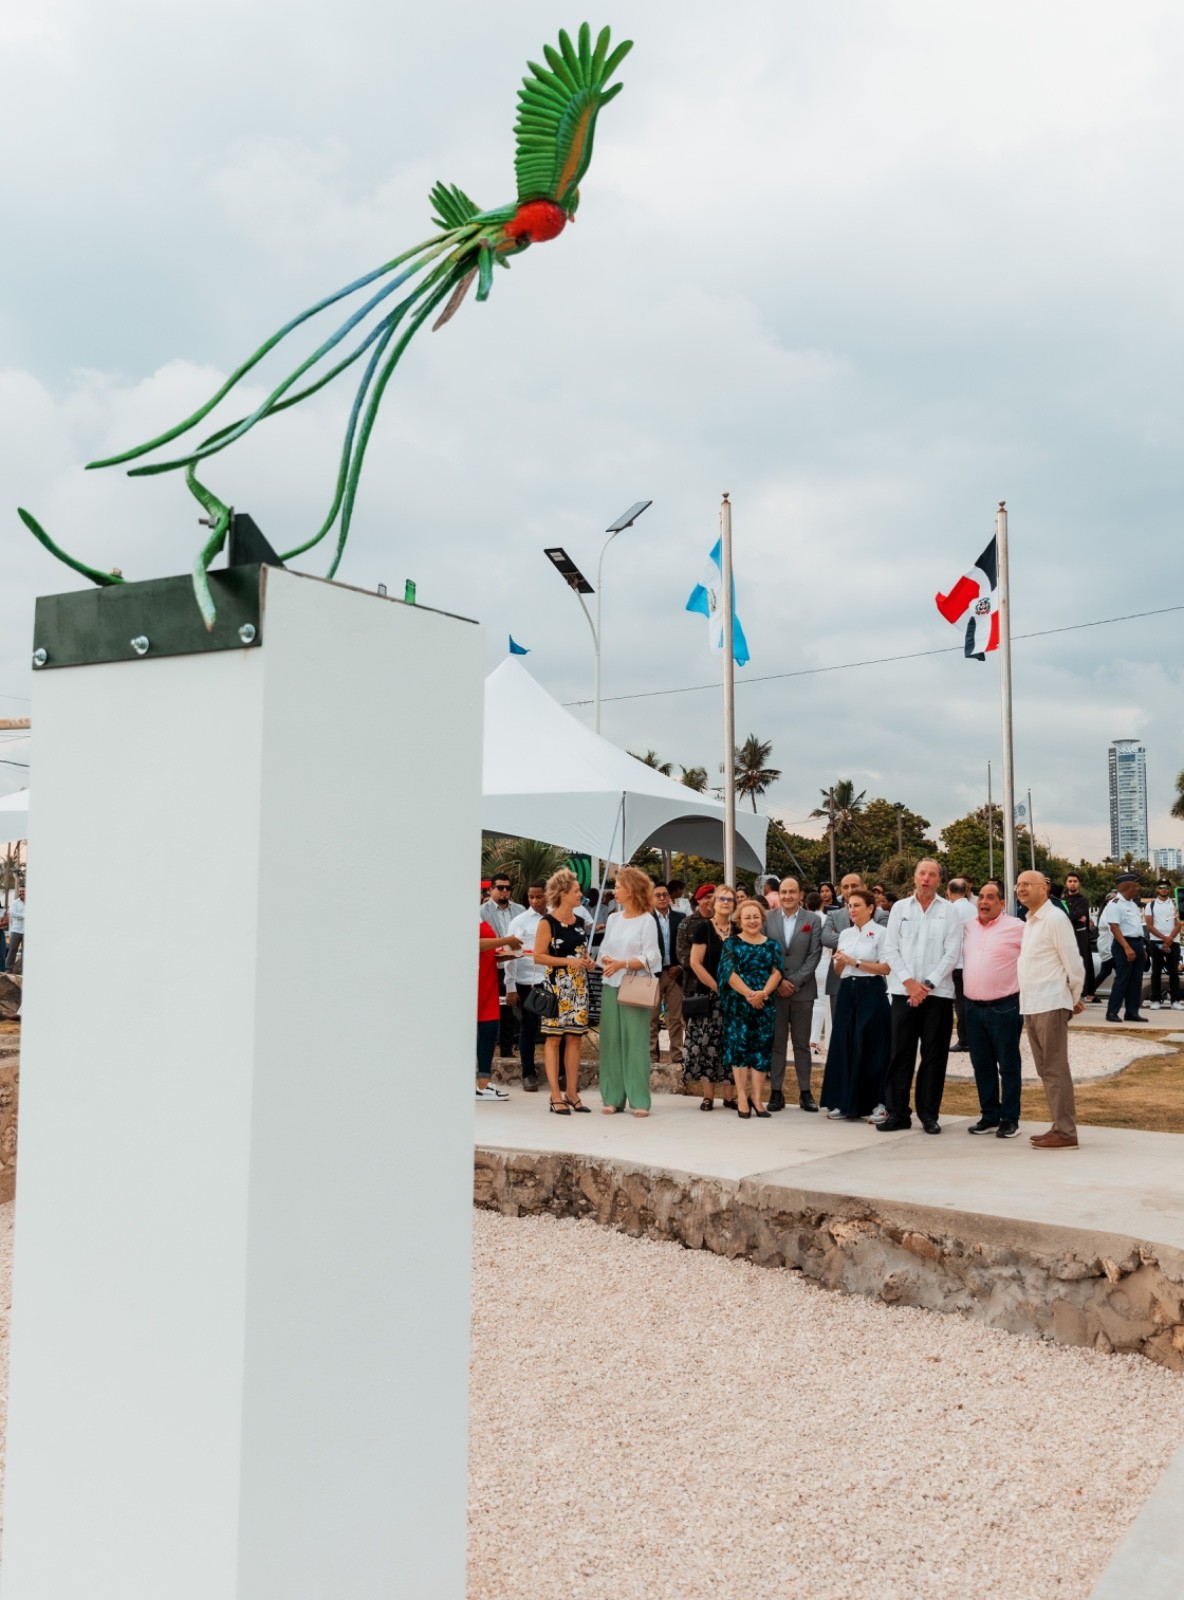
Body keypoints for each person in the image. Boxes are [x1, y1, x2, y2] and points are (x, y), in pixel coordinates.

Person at [878, 859, 962, 1135]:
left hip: (937, 994)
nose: (926, 879)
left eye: (932, 875)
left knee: (934, 1056)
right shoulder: (900, 908)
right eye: (922, 874)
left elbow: (952, 953)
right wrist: (910, 983)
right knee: (899, 1053)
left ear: (939, 880)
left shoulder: (949, 911)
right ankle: (898, 1113)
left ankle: (929, 1114)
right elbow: (890, 949)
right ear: (915, 877)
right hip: (903, 992)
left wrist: (926, 985)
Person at [1016, 869, 1086, 1148]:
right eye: (1018, 884)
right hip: (1032, 1004)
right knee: (1046, 1070)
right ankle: (1059, 1126)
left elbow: (1074, 963)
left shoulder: (1055, 918)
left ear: (1043, 888)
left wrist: (1070, 998)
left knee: (1055, 1069)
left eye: (1027, 884)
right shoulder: (1030, 920)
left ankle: (1066, 1132)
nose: (1021, 889)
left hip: (1050, 1003)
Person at [818, 888, 891, 1122]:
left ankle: (878, 1103)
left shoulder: (881, 933)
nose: (852, 910)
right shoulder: (846, 934)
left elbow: (886, 968)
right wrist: (840, 962)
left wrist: (855, 962)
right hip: (847, 991)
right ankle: (844, 1101)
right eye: (849, 906)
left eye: (857, 905)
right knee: (844, 1043)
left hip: (871, 990)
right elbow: (839, 971)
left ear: (870, 908)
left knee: (871, 1046)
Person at [960, 878, 1025, 1139]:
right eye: (981, 897)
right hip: (972, 1009)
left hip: (1005, 1008)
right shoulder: (967, 927)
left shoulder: (1017, 927)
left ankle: (1010, 1119)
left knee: (1008, 1066)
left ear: (1002, 903)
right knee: (982, 1065)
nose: (983, 902)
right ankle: (989, 1115)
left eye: (990, 897)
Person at [597, 866, 661, 1116]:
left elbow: (652, 956)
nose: (614, 891)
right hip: (610, 985)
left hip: (634, 986)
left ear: (631, 890)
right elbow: (604, 949)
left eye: (618, 887)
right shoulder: (613, 919)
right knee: (610, 1041)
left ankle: (640, 1099)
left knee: (635, 1042)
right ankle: (613, 1097)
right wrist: (607, 960)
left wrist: (623, 963)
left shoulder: (647, 920)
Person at [531, 869, 595, 1114]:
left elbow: (581, 953)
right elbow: (538, 956)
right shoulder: (547, 923)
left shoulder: (579, 923)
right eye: (576, 891)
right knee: (554, 1039)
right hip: (557, 987)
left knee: (575, 1038)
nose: (580, 894)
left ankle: (572, 1092)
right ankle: (555, 1095)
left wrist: (588, 962)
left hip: (579, 987)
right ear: (563, 893)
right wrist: (568, 962)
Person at [718, 896, 785, 1118]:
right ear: (739, 921)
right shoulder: (731, 943)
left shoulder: (773, 944)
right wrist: (749, 994)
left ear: (763, 919)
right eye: (747, 917)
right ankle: (741, 1097)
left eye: (756, 917)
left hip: (764, 1004)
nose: (752, 921)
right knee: (739, 1050)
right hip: (739, 1004)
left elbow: (777, 972)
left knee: (761, 1050)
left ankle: (757, 1098)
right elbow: (728, 973)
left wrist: (763, 993)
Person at [764, 877, 823, 1113]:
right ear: (778, 894)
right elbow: (763, 951)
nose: (787, 896)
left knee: (802, 1044)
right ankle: (775, 1092)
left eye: (792, 892)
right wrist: (778, 982)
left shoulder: (813, 920)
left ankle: (805, 1093)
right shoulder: (767, 918)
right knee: (777, 1044)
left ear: (800, 895)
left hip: (802, 992)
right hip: (775, 991)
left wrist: (794, 982)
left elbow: (814, 955)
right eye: (783, 892)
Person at [684, 885, 738, 1110]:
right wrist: (717, 986)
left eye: (730, 899)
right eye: (721, 899)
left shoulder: (739, 929)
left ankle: (730, 1096)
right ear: (714, 903)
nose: (725, 902)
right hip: (708, 994)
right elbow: (695, 962)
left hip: (734, 995)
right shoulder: (703, 928)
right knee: (707, 1045)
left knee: (731, 1044)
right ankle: (708, 1096)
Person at [504, 881, 548, 1090]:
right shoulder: (520, 921)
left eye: (539, 896)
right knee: (528, 1028)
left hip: (551, 979)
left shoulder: (556, 917)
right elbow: (510, 954)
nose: (535, 901)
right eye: (531, 897)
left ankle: (560, 1073)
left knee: (555, 1030)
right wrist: (510, 986)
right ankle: (528, 1073)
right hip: (526, 981)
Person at [476, 919, 520, 1100]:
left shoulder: (479, 918)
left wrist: (502, 956)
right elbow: (474, 944)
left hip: (488, 980)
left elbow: (485, 948)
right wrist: (507, 940)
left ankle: (483, 1083)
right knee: (480, 1034)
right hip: (476, 983)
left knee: (489, 1031)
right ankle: (479, 1084)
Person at [483, 873, 525, 1058]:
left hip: (517, 964)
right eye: (500, 888)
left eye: (508, 888)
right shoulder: (481, 912)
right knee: (497, 1008)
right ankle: (493, 1050)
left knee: (513, 1008)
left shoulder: (520, 910)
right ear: (491, 889)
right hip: (495, 966)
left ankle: (508, 1050)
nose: (505, 891)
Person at [649, 882, 686, 1067]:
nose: (662, 898)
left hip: (674, 974)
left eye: (665, 894)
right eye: (658, 895)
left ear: (670, 897)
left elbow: (686, 946)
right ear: (651, 898)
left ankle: (677, 1057)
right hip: (653, 975)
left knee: (675, 1018)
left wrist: (680, 966)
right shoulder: (646, 919)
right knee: (651, 1018)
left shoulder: (680, 918)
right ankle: (651, 1058)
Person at [1104, 872, 1148, 1023]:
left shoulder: (1133, 904)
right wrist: (1127, 948)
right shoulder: (1115, 904)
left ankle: (1132, 1012)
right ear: (1129, 887)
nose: (1137, 889)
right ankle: (1112, 1012)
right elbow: (1114, 927)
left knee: (1136, 980)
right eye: (1136, 886)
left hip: (1137, 942)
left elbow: (1136, 928)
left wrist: (1141, 948)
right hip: (1123, 943)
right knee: (1122, 979)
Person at [946, 877, 976, 1053]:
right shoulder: (973, 908)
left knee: (961, 1004)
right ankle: (973, 1037)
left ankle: (964, 1040)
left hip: (957, 963)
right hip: (971, 961)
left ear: (949, 892)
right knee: (971, 1002)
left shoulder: (951, 910)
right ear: (966, 891)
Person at [1145, 880, 1182, 1010]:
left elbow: (1179, 923)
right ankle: (1155, 1000)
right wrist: (1164, 938)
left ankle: (1175, 1001)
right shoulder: (1150, 905)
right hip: (1156, 941)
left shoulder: (1176, 904)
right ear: (1157, 889)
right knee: (1156, 971)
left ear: (1169, 889)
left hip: (1173, 941)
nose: (1164, 889)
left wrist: (1169, 939)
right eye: (1161, 887)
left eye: (1166, 887)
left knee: (1174, 971)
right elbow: (1149, 926)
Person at [1063, 873, 1097, 1001]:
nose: (1072, 883)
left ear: (1079, 883)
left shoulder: (1083, 900)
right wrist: (1074, 917)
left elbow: (1076, 914)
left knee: (1081, 964)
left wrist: (1072, 916)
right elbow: (1063, 915)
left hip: (1079, 936)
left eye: (1075, 881)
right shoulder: (1062, 900)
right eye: (1070, 881)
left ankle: (1082, 994)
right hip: (1066, 936)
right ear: (1066, 883)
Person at [677, 884, 715, 966]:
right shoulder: (687, 922)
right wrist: (699, 968)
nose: (711, 901)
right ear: (698, 900)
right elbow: (682, 952)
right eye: (707, 897)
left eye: (714, 898)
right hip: (693, 971)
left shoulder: (721, 921)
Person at [4, 885, 24, 975]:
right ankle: (8, 969)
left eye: (23, 891)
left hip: (27, 931)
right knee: (12, 949)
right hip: (16, 930)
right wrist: (25, 916)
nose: (21, 893)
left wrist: (20, 915)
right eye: (20, 891)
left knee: (25, 952)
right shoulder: (14, 903)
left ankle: (23, 970)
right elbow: (13, 913)